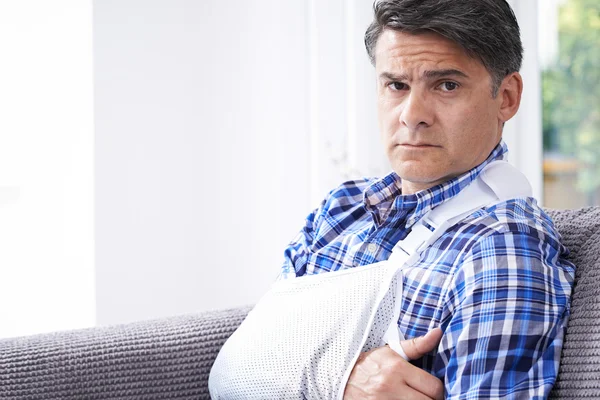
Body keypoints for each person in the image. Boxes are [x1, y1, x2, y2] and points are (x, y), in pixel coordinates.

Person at [280, 0, 575, 398]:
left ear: (506, 97)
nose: (411, 114)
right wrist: (336, 379)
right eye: (396, 85)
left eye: (446, 85)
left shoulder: (500, 249)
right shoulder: (340, 210)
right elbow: (241, 364)